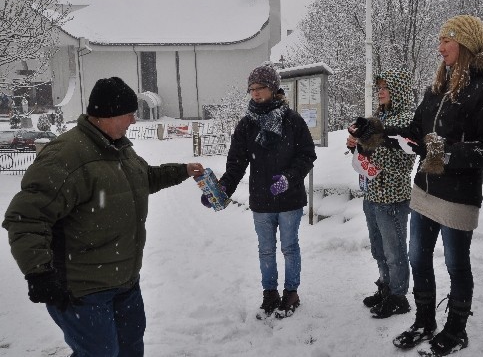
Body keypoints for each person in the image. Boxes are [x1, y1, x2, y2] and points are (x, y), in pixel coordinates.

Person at [2, 76, 205, 356]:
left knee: (130, 349)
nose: (133, 121)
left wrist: (181, 170)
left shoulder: (119, 148)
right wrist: (39, 273)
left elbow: (143, 178)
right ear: (107, 114)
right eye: (129, 114)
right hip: (83, 289)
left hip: (125, 282)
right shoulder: (66, 156)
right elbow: (26, 217)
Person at [389, 15, 483, 355]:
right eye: (440, 41)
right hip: (425, 190)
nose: (440, 47)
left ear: (465, 44)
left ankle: (456, 329)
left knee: (457, 265)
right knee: (418, 258)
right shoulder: (435, 89)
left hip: (458, 197)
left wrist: (448, 153)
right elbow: (414, 133)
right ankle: (425, 321)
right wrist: (376, 134)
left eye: (447, 41)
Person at [204, 63, 317, 319]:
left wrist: (289, 178)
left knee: (289, 247)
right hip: (262, 200)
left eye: (261, 87)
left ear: (274, 88)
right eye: (251, 89)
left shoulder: (292, 120)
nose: (255, 93)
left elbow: (307, 155)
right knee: (265, 249)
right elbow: (236, 163)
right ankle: (269, 294)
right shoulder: (246, 125)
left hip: (289, 200)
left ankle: (291, 292)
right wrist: (222, 189)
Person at [346, 69, 416, 318]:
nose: (381, 91)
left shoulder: (407, 120)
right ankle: (386, 287)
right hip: (373, 194)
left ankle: (399, 296)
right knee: (378, 248)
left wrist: (371, 142)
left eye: (386, 86)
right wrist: (356, 144)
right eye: (379, 87)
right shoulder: (377, 117)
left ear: (398, 89)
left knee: (394, 251)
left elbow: (398, 160)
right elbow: (371, 151)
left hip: (394, 197)